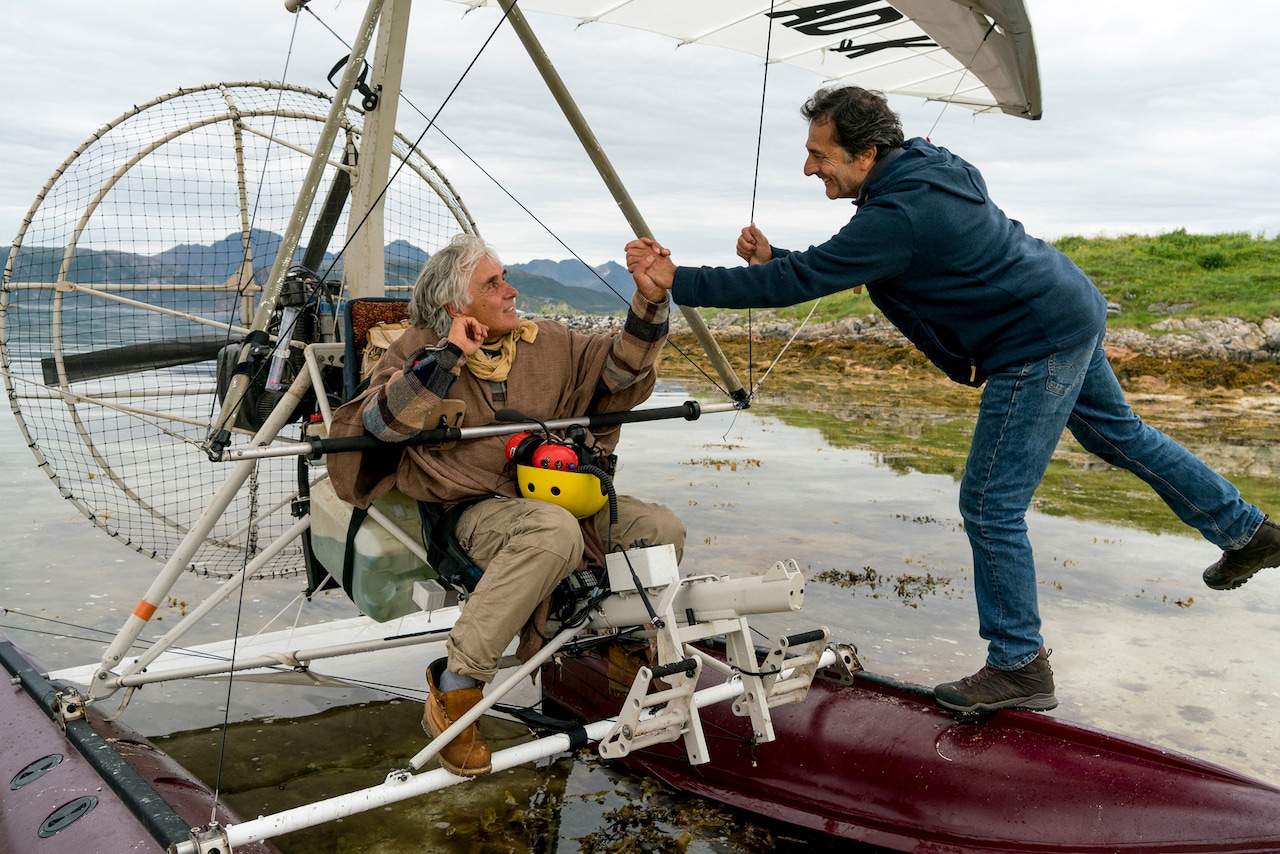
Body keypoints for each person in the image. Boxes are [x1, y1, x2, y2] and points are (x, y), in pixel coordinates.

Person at [624, 85, 1280, 715]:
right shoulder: (928, 168)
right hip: (1066, 305)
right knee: (1117, 437)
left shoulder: (899, 212)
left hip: (1036, 339)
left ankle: (1019, 664)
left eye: (820, 154)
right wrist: (774, 256)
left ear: (866, 154)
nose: (807, 166)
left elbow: (809, 277)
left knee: (991, 504)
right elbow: (867, 261)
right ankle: (1249, 532)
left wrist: (675, 279)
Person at [329, 233, 685, 776]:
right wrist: (449, 357)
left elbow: (621, 371)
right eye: (493, 283)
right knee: (552, 532)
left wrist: (650, 302)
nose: (510, 290)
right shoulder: (415, 350)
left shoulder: (549, 342)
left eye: (505, 277)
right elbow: (380, 424)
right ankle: (455, 689)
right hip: (468, 513)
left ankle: (623, 651)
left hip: (557, 499)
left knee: (658, 527)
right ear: (455, 305)